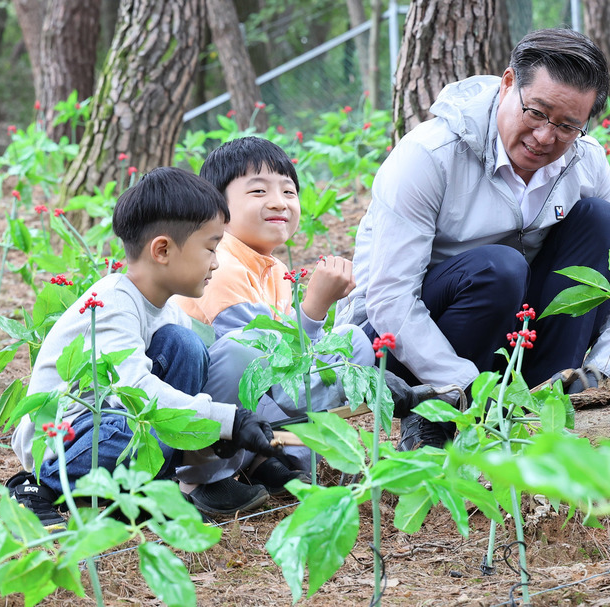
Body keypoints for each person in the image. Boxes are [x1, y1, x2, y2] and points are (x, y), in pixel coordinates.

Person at [340, 28, 610, 451]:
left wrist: (602, 372)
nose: (545, 136)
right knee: (500, 268)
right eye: (536, 113)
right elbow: (390, 298)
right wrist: (467, 387)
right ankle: (436, 415)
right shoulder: (430, 155)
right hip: (405, 344)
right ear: (507, 85)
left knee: (604, 222)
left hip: (511, 334)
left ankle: (545, 403)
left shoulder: (584, 159)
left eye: (568, 125)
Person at [6, 168, 295, 526]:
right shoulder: (111, 302)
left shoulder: (170, 311)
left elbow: (175, 400)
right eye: (210, 247)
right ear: (162, 250)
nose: (217, 262)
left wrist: (215, 435)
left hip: (123, 424)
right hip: (63, 438)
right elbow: (135, 392)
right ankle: (37, 488)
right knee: (123, 428)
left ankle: (149, 489)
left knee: (186, 347)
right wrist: (226, 420)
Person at [173, 137, 433, 502]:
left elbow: (289, 368)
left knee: (352, 340)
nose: (279, 202)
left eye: (289, 191)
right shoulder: (221, 263)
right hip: (206, 417)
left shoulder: (275, 269)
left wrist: (345, 363)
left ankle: (272, 455)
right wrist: (315, 307)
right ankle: (200, 479)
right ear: (218, 206)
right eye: (259, 190)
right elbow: (262, 371)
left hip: (253, 410)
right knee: (241, 353)